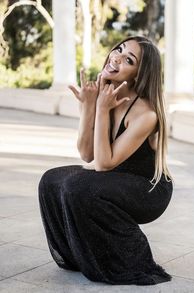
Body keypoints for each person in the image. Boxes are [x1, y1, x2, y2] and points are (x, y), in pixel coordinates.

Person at [38, 36, 173, 285]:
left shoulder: (146, 112)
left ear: (139, 74)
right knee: (52, 180)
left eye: (129, 60)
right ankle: (77, 256)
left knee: (77, 187)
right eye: (119, 50)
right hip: (116, 177)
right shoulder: (107, 94)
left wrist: (101, 109)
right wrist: (89, 107)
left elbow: (103, 164)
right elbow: (87, 154)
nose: (117, 58)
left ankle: (130, 260)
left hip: (148, 190)